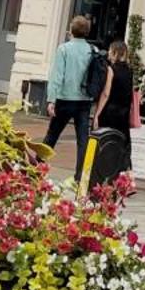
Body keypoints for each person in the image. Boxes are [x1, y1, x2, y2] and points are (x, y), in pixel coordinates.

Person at [44, 16, 97, 179]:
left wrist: (51, 99)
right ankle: (81, 175)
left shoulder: (64, 49)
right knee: (83, 140)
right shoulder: (92, 50)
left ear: (71, 31)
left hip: (65, 98)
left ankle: (37, 166)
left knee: (52, 135)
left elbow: (57, 76)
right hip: (84, 100)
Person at [94, 40, 138, 136]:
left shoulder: (111, 69)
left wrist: (98, 113)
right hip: (124, 112)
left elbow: (106, 93)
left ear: (115, 52)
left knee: (106, 139)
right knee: (119, 141)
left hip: (110, 111)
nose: (108, 52)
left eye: (110, 50)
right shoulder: (130, 70)